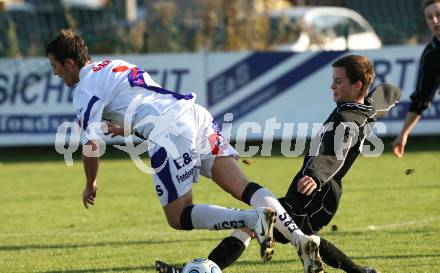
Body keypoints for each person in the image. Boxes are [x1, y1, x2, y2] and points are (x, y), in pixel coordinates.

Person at [46, 29, 325, 273]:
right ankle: (301, 240)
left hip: (170, 133)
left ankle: (254, 218)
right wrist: (128, 127)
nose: (55, 72)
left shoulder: (84, 89)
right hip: (193, 115)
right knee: (243, 185)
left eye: (56, 66)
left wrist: (90, 182)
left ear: (70, 62)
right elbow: (147, 101)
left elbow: (91, 145)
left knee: (178, 216)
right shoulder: (114, 65)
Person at [156, 55, 401, 273]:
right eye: (333, 79)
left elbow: (334, 153)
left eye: (338, 81)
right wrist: (391, 93)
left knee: (260, 223)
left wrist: (315, 175)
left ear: (357, 85)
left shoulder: (346, 118)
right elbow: (384, 96)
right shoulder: (363, 108)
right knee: (293, 233)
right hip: (318, 191)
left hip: (316, 191)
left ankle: (204, 270)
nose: (332, 85)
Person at [392, 0, 440, 157]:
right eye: (429, 17)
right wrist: (403, 134)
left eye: (439, 15)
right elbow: (422, 98)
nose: (434, 21)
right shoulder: (431, 55)